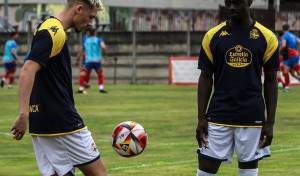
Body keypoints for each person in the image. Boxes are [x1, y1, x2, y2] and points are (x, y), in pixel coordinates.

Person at [10, 0, 107, 176]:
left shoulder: (48, 26)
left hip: (42, 119)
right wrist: (23, 113)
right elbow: (27, 69)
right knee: (98, 173)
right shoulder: (53, 32)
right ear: (79, 9)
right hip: (61, 119)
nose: (91, 23)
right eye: (90, 17)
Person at [196, 0, 279, 176]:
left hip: (252, 117)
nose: (232, 7)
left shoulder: (267, 37)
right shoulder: (212, 36)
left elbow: (271, 81)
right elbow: (205, 77)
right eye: (228, 3)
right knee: (205, 170)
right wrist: (201, 118)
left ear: (249, 2)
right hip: (218, 115)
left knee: (248, 171)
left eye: (237, 2)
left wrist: (270, 122)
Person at [77, 28, 108, 94]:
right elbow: (103, 47)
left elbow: (80, 51)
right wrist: (104, 55)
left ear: (89, 33)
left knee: (82, 74)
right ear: (95, 33)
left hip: (88, 61)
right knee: (100, 75)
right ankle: (101, 88)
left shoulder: (86, 41)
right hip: (97, 61)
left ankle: (80, 89)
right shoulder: (99, 40)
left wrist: (77, 60)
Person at [279, 24, 300, 92]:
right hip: (296, 54)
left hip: (291, 55)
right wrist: (297, 50)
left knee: (285, 71)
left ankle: (287, 88)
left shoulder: (284, 36)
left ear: (283, 29)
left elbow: (284, 45)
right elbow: (299, 42)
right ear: (288, 29)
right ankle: (286, 87)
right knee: (296, 73)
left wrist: (278, 52)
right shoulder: (293, 35)